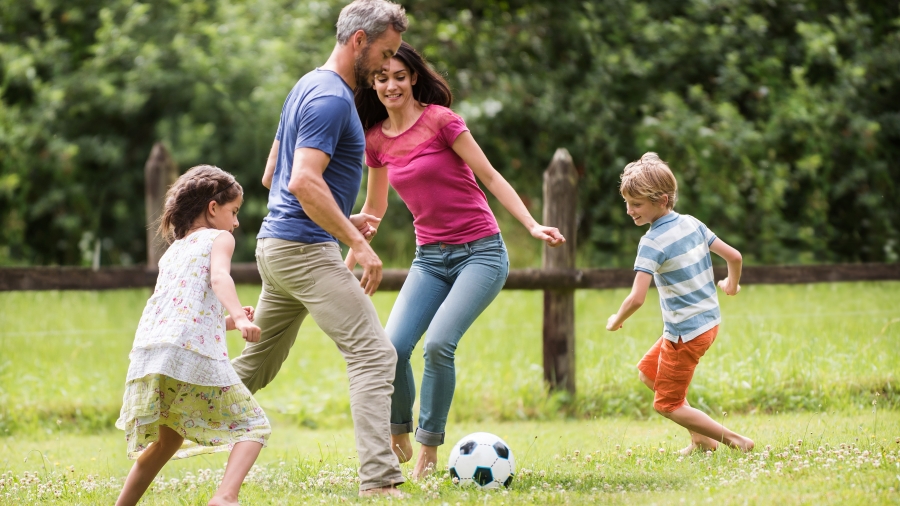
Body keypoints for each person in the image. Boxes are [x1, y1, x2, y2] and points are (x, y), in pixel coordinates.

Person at [348, 41, 566, 479]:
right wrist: (356, 232)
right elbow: (375, 206)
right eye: (381, 78)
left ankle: (429, 448)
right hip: (429, 258)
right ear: (372, 84)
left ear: (412, 78)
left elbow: (489, 175)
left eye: (399, 76)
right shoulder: (376, 141)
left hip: (481, 253)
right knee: (392, 348)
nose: (391, 85)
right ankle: (399, 430)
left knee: (438, 344)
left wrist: (530, 225)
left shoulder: (441, 121)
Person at [229, 0, 408, 496]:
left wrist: (339, 216)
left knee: (254, 366)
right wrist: (355, 242)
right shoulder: (331, 99)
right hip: (304, 250)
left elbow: (274, 176)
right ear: (359, 41)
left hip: (279, 245)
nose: (388, 65)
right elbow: (304, 180)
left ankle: (169, 419)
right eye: (386, 51)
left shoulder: (308, 84)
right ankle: (380, 481)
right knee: (374, 355)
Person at [115, 165, 271, 506]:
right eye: (234, 212)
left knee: (167, 441)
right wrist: (237, 315)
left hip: (152, 352)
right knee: (254, 428)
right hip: (190, 354)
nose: (236, 222)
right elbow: (219, 279)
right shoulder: (220, 238)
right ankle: (225, 498)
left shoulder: (175, 250)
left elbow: (185, 309)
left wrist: (229, 319)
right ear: (213, 208)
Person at [605, 152, 754, 455]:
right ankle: (701, 439)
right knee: (649, 373)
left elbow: (636, 297)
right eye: (627, 203)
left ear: (661, 199)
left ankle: (737, 442)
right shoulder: (692, 224)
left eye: (636, 204)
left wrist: (617, 318)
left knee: (667, 404)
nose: (629, 210)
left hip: (685, 333)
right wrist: (731, 284)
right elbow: (734, 256)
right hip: (707, 323)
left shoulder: (651, 243)